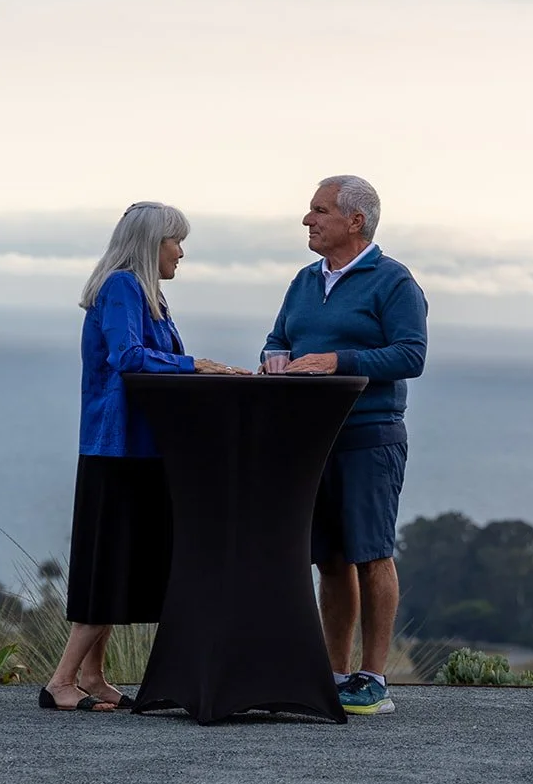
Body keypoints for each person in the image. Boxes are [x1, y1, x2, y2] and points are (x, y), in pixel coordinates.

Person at [41, 202, 244, 712]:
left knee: (119, 561)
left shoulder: (145, 293)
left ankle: (92, 675)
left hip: (138, 448)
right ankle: (60, 681)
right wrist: (195, 365)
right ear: (152, 245)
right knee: (109, 566)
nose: (181, 251)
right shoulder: (123, 287)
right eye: (176, 241)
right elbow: (128, 357)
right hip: (119, 449)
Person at [262, 175, 427, 715]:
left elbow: (411, 355)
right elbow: (279, 337)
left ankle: (374, 677)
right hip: (310, 439)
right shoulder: (305, 281)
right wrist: (275, 357)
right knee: (329, 559)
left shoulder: (394, 282)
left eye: (319, 210)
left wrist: (338, 361)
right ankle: (333, 674)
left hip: (368, 437)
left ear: (355, 221)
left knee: (371, 554)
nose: (308, 220)